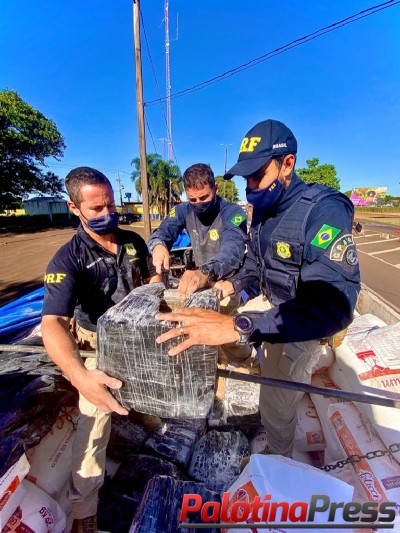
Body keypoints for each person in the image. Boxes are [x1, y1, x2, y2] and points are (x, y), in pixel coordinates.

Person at [155, 119, 361, 458]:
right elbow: (255, 264)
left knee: (274, 407)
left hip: (298, 321)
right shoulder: (265, 210)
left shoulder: (323, 209)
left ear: (287, 164)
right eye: (245, 178)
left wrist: (240, 324)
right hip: (269, 302)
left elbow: (333, 305)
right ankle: (255, 358)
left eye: (257, 175)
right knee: (219, 332)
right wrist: (231, 284)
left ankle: (280, 464)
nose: (250, 185)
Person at [41, 167, 161, 533]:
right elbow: (53, 324)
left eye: (111, 203)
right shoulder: (67, 261)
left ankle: (147, 418)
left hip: (137, 333)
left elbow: (150, 279)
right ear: (74, 208)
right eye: (96, 208)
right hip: (98, 342)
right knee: (94, 418)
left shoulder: (133, 242)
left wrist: (157, 285)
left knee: (161, 396)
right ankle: (85, 508)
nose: (108, 212)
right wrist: (81, 377)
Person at [147, 163, 247, 298]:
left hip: (228, 284)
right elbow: (163, 231)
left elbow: (232, 251)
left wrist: (206, 272)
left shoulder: (234, 212)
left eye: (204, 197)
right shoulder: (182, 210)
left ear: (215, 188)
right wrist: (158, 244)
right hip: (200, 281)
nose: (199, 203)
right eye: (193, 199)